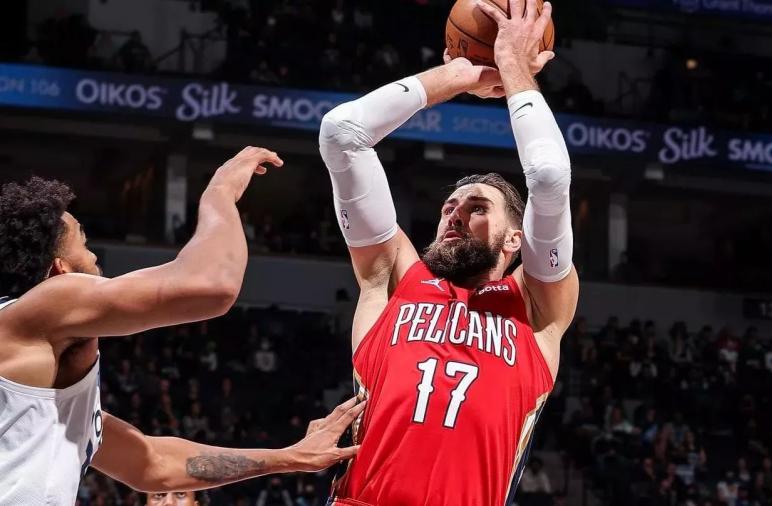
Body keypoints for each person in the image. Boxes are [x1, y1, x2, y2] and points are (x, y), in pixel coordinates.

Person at [318, 0, 578, 504]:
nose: (455, 215)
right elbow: (341, 133)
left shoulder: (535, 308)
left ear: (515, 239)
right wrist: (460, 75)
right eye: (449, 206)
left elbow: (548, 178)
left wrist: (513, 68)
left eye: (477, 208)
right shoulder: (396, 278)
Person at [0, 147, 363, 505]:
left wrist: (290, 457)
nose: (95, 257)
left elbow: (153, 465)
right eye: (84, 243)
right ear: (61, 270)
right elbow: (213, 284)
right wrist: (220, 192)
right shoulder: (49, 302)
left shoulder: (50, 396)